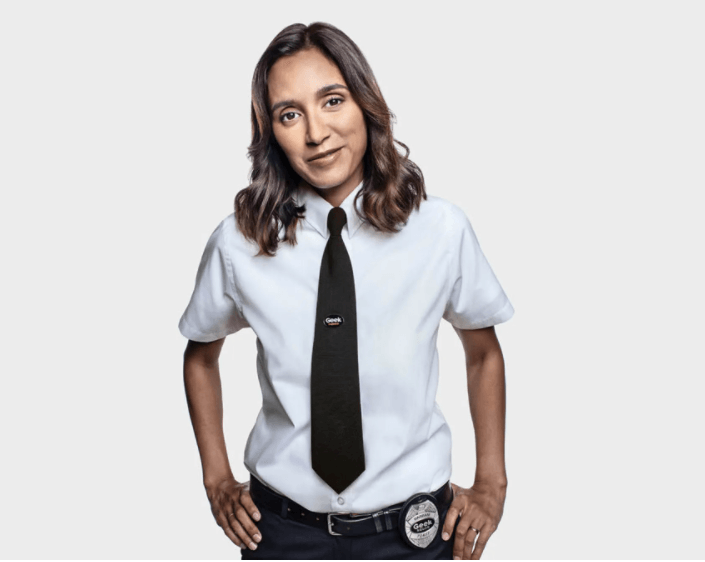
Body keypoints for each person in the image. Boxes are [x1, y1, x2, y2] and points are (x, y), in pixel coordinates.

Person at [178, 22, 512, 560]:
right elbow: (200, 355)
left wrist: (491, 483)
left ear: (364, 102)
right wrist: (216, 478)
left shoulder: (441, 230)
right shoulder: (239, 243)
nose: (316, 132)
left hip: (416, 534)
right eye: (290, 114)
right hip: (282, 533)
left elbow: (482, 353)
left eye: (332, 100)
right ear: (271, 133)